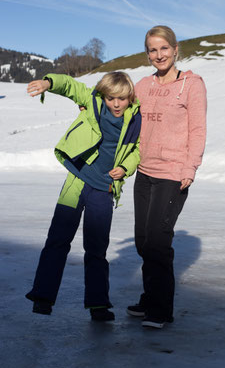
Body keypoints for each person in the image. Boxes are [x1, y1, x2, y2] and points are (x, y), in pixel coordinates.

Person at [25, 71, 141, 321]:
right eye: (111, 98)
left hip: (104, 187)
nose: (116, 104)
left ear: (130, 97)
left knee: (97, 248)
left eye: (121, 98)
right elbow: (69, 85)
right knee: (58, 238)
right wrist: (48, 82)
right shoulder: (93, 101)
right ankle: (43, 296)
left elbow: (138, 149)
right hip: (77, 178)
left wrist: (125, 168)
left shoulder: (136, 119)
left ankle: (98, 305)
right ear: (104, 95)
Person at [126, 25, 207, 329]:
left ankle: (161, 309)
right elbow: (119, 106)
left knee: (158, 242)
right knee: (143, 241)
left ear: (175, 50)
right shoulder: (144, 85)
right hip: (145, 172)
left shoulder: (192, 84)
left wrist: (191, 167)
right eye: (152, 50)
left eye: (163, 48)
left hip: (173, 173)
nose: (158, 55)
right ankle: (150, 297)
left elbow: (198, 129)